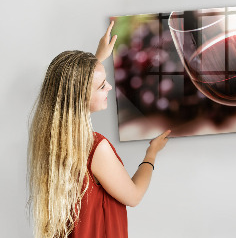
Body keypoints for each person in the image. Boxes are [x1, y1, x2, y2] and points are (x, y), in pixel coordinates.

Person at [27, 21, 171, 238]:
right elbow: (134, 196)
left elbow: (73, 85)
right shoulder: (95, 148)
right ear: (81, 96)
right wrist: (151, 153)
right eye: (102, 85)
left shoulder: (49, 137)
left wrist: (97, 58)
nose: (110, 87)